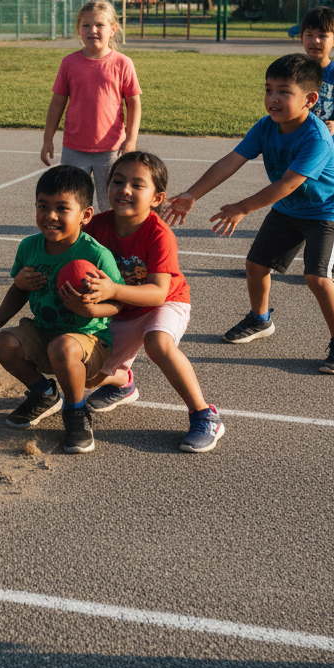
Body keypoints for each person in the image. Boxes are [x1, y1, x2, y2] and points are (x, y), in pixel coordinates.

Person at [164, 53, 334, 375]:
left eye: (284, 91)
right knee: (256, 266)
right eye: (268, 89)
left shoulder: (317, 137)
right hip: (288, 209)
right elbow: (232, 160)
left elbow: (288, 184)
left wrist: (242, 208)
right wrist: (192, 195)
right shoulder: (267, 127)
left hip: (324, 210)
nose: (273, 98)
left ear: (310, 99)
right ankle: (260, 319)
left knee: (316, 277)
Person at [0, 164, 126, 454]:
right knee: (4, 343)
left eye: (61, 208)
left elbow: (118, 304)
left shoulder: (95, 255)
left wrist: (89, 310)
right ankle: (44, 394)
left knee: (63, 347)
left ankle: (77, 411)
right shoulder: (29, 247)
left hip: (89, 341)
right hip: (43, 333)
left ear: (86, 215)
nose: (50, 215)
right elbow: (20, 289)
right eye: (43, 206)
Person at [79, 151, 224, 452]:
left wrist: (111, 291)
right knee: (87, 371)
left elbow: (158, 292)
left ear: (157, 198)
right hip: (121, 309)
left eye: (137, 184)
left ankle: (204, 414)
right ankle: (123, 383)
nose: (125, 189)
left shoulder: (159, 234)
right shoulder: (96, 227)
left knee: (158, 343)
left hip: (165, 303)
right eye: (118, 181)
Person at [41, 0, 140, 211]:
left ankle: (110, 243)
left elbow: (134, 104)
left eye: (99, 25)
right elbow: (58, 102)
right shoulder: (69, 63)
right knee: (71, 203)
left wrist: (130, 140)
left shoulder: (123, 63)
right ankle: (75, 242)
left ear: (113, 29)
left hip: (111, 150)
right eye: (85, 25)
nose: (92, 30)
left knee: (110, 205)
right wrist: (47, 138)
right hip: (74, 149)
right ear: (78, 30)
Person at [300, 5, 334, 283]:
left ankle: (329, 259)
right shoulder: (294, 70)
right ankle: (278, 252)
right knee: (293, 196)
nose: (315, 41)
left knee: (325, 200)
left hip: (325, 147)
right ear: (301, 38)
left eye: (322, 35)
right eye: (309, 34)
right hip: (297, 144)